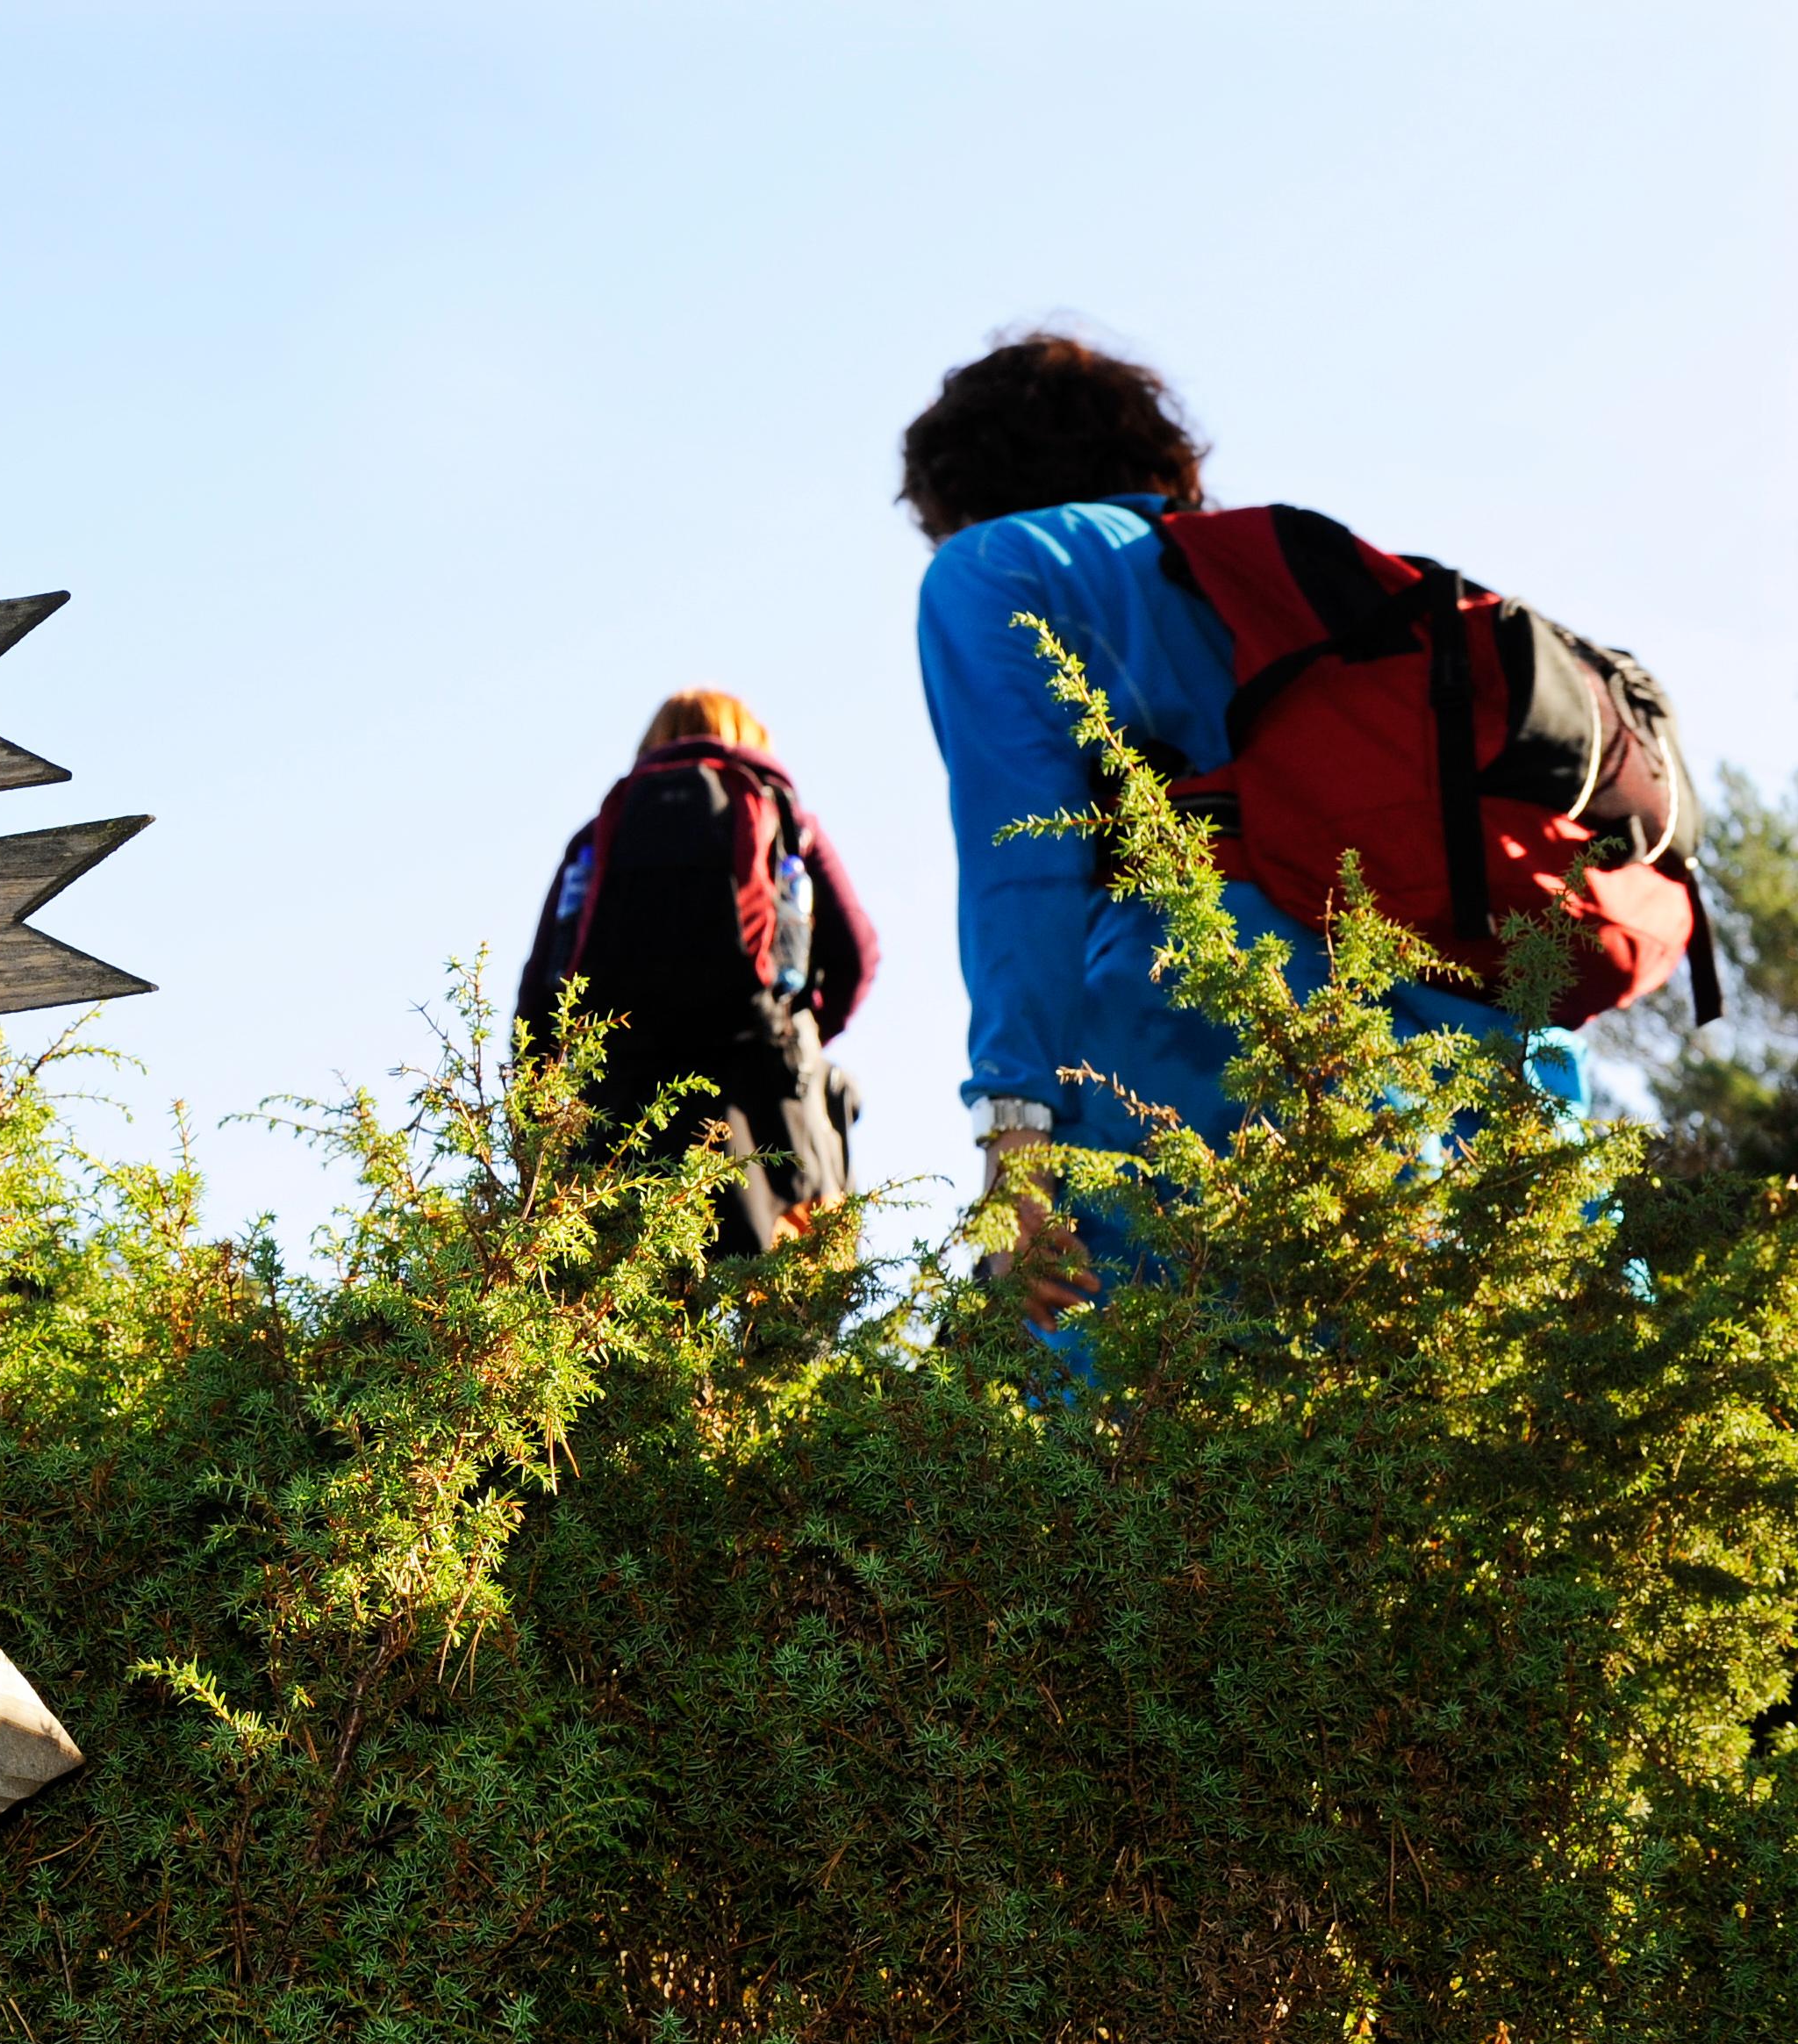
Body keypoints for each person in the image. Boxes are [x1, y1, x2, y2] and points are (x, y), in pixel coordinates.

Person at [900, 331, 1687, 1325]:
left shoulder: (1000, 565)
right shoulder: (1287, 593)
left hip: (1204, 1035)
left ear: (960, 493)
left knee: (1150, 1433)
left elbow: (1024, 866)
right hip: (1481, 1042)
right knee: (1583, 1410)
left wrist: (1017, 1142)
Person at [517, 688, 879, 1251]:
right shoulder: (786, 819)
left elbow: (541, 1000)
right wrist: (797, 1030)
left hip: (621, 1109)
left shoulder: (597, 839)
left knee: (622, 1304)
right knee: (779, 1313)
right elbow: (856, 955)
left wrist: (544, 1122)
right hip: (764, 1103)